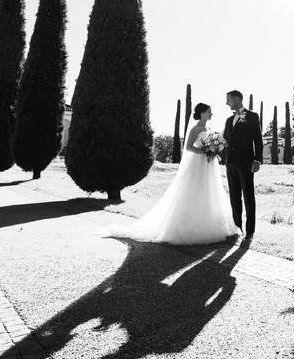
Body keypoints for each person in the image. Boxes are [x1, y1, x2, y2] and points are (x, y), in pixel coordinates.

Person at [103, 103, 238, 244]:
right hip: (198, 164)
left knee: (210, 191)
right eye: (209, 111)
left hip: (209, 165)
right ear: (202, 113)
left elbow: (212, 145)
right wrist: (205, 151)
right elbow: (189, 147)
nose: (211, 114)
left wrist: (214, 150)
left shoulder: (209, 128)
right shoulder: (195, 128)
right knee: (195, 192)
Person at [221, 90, 263, 237]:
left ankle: (250, 230)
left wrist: (257, 160)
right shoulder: (228, 120)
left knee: (248, 196)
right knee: (234, 197)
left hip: (246, 163)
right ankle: (237, 227)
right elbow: (225, 141)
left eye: (229, 100)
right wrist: (213, 149)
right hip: (230, 163)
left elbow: (258, 140)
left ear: (237, 99)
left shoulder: (252, 116)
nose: (227, 103)